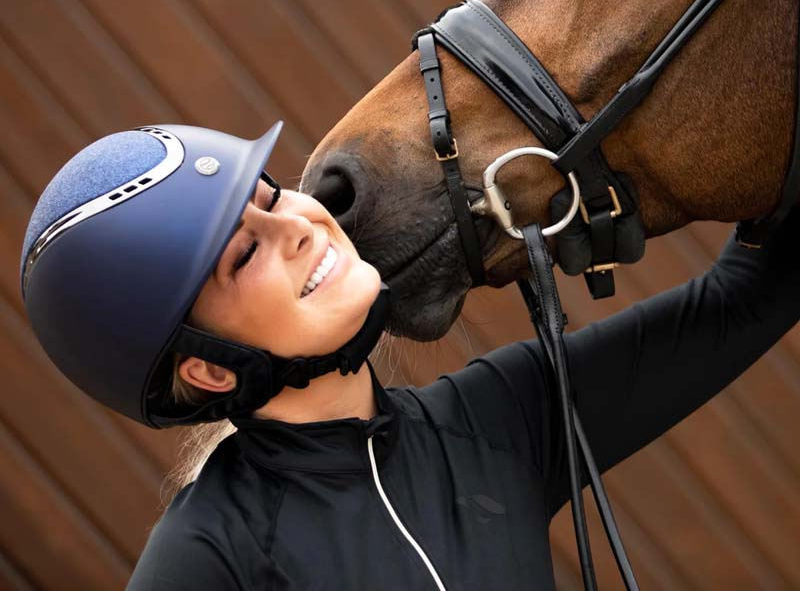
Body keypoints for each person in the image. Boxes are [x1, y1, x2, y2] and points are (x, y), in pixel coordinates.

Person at [21, 122, 800, 590]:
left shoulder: (497, 420)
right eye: (241, 255)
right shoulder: (211, 556)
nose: (294, 224)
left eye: (267, 197)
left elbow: (752, 294)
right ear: (211, 369)